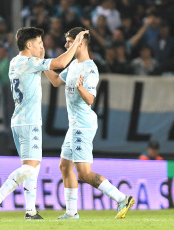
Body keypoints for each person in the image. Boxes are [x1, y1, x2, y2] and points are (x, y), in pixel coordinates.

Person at [0, 27, 89, 220]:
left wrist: (41, 58)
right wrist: (77, 42)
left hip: (18, 121)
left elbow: (51, 74)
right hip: (29, 122)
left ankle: (30, 211)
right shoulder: (29, 62)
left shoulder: (15, 61)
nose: (42, 46)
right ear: (29, 44)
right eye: (39, 43)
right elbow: (62, 62)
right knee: (30, 167)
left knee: (31, 167)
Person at [51, 27, 134, 220]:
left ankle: (122, 198)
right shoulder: (73, 66)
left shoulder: (90, 68)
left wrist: (80, 88)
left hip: (83, 125)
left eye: (69, 42)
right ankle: (71, 213)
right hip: (74, 126)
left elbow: (90, 99)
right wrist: (43, 64)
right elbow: (55, 81)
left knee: (84, 174)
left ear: (79, 43)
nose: (66, 45)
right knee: (64, 166)